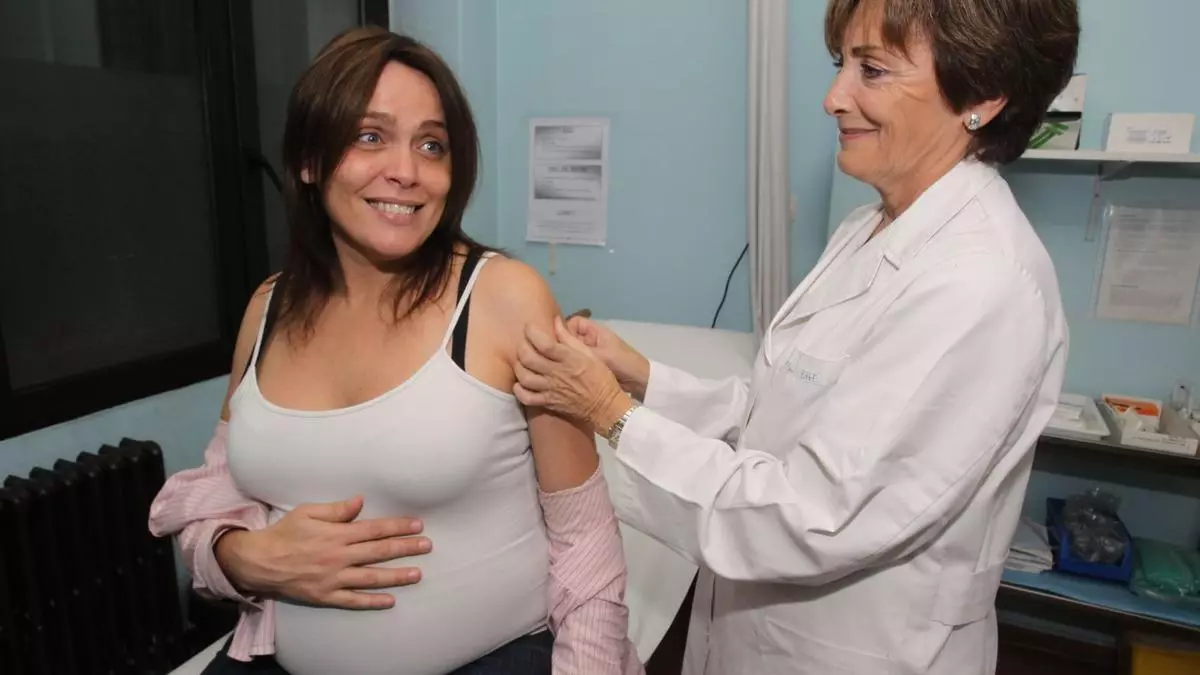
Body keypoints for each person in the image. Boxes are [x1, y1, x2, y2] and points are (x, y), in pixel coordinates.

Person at [511, 0, 1078, 673]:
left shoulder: (981, 283)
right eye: (842, 65)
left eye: (872, 70)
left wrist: (611, 413)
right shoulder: (870, 228)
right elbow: (783, 418)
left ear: (981, 96)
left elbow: (816, 514)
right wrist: (642, 379)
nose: (833, 97)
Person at [149, 27, 641, 675]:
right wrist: (242, 557)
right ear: (309, 159)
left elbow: (587, 543)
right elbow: (214, 488)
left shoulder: (503, 299)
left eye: (431, 145)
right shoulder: (267, 308)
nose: (406, 171)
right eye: (369, 136)